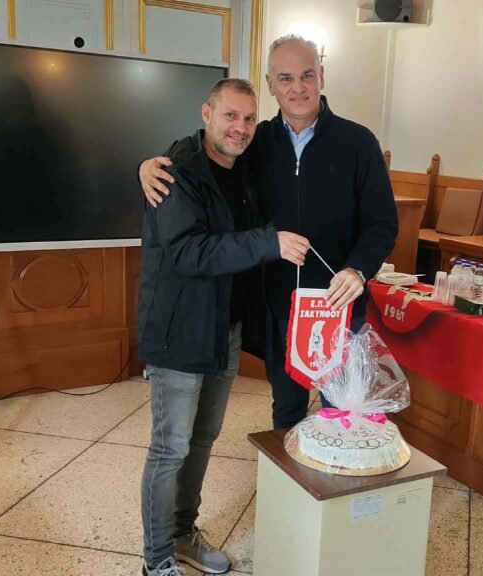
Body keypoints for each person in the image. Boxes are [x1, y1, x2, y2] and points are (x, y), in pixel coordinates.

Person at [140, 35, 398, 430]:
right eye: (285, 78)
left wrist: (358, 269)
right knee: (287, 414)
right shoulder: (254, 141)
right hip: (279, 308)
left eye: (307, 75)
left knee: (344, 416)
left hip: (339, 307)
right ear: (271, 84)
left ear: (322, 77)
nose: (298, 88)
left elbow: (382, 222)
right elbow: (203, 162)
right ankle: (289, 472)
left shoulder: (359, 143)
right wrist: (147, 167)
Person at [137, 78, 311, 576]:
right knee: (170, 447)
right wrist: (269, 242)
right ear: (207, 113)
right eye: (230, 115)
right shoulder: (176, 172)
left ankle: (182, 533)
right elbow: (188, 252)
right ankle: (156, 560)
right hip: (179, 332)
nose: (240, 127)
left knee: (203, 438)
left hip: (224, 330)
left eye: (249, 118)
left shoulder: (246, 166)